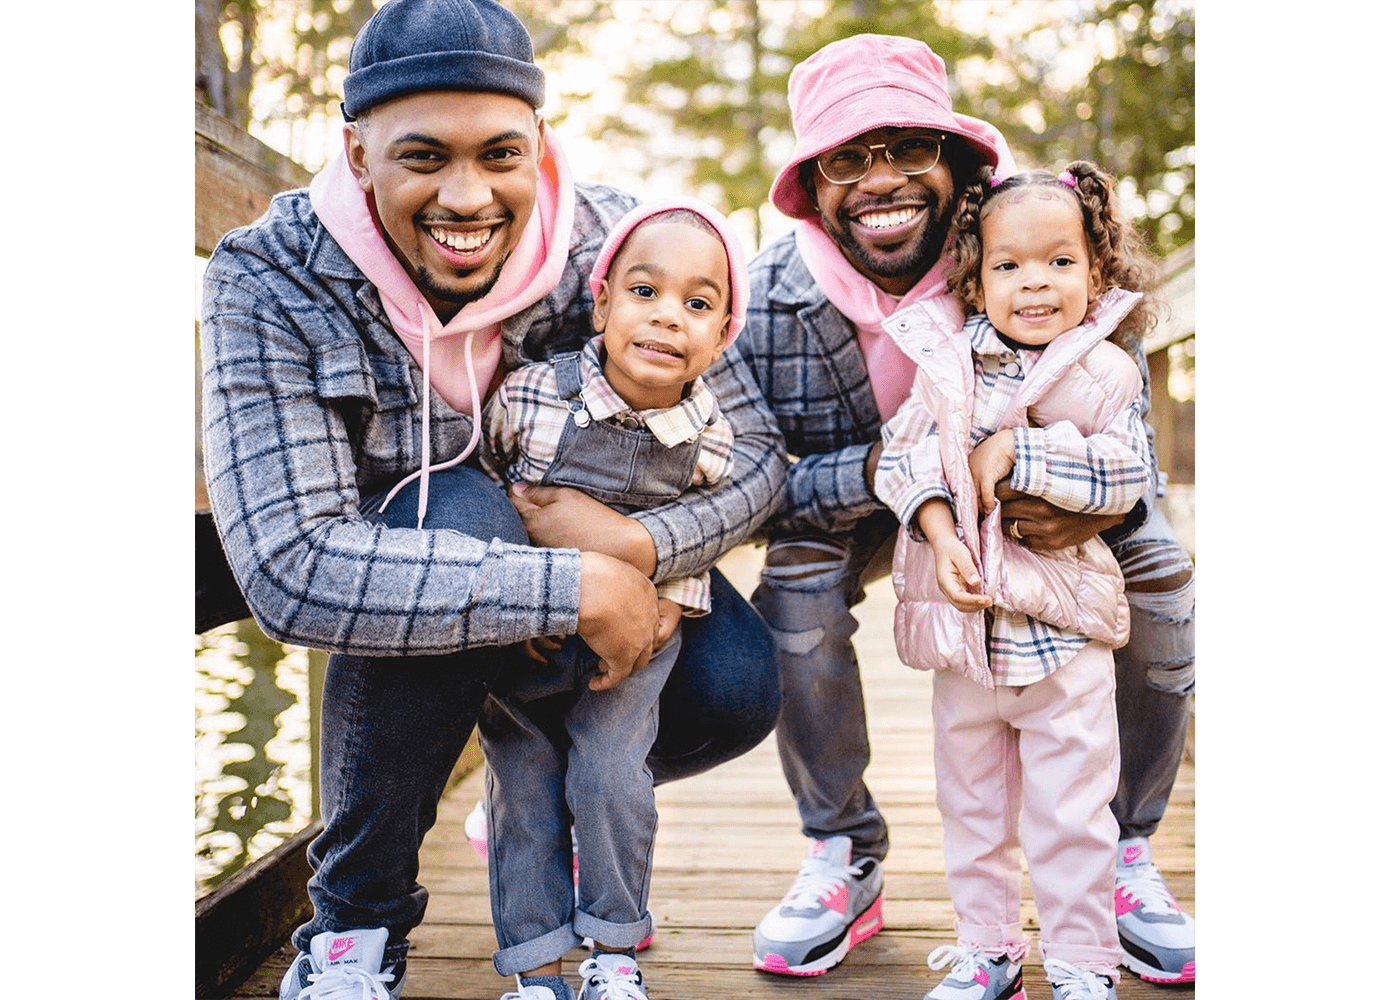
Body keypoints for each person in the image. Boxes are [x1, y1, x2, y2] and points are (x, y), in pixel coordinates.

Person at [198, 3, 786, 998]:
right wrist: (578, 587)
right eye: (423, 156)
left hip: (601, 549)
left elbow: (757, 453)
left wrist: (637, 549)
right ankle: (354, 929)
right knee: (455, 516)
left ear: (539, 143)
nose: (467, 197)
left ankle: (547, 789)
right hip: (411, 579)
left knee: (735, 685)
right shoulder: (274, 276)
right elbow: (291, 567)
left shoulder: (617, 245)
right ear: (357, 151)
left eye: (500, 154)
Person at [738, 33, 1196, 986]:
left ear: (956, 166)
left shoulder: (1035, 245)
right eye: (846, 158)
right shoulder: (769, 297)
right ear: (812, 186)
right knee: (795, 581)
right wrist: (906, 484)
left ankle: (1125, 847)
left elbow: (1129, 446)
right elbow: (760, 481)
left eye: (910, 147)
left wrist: (1067, 498)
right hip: (876, 492)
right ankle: (843, 848)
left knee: (1158, 567)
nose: (882, 178)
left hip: (1048, 486)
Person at [874, 162, 1154, 1000]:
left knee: (1071, 815)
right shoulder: (945, 364)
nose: (1035, 281)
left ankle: (1082, 961)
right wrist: (935, 527)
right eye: (1009, 265)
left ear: (1097, 275)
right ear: (975, 279)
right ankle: (989, 953)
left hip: (1062, 640)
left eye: (1060, 261)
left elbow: (1124, 473)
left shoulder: (1105, 373)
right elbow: (901, 458)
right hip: (966, 640)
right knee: (972, 811)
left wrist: (1017, 452)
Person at [474, 198, 748, 1000]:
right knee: (523, 784)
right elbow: (487, 493)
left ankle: (615, 949)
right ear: (600, 304)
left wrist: (674, 605)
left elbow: (702, 529)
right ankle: (535, 970)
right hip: (526, 630)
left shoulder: (710, 435)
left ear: (722, 334)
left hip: (637, 644)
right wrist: (519, 600)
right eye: (644, 292)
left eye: (698, 304)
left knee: (612, 777)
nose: (667, 317)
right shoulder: (530, 396)